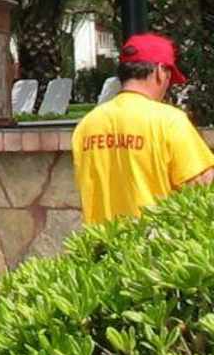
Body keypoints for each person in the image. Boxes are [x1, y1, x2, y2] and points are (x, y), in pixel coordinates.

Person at [72, 33, 214, 225]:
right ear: (160, 71)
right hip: (154, 241)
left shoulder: (87, 125)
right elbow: (203, 188)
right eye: (169, 76)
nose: (167, 85)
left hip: (102, 241)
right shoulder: (169, 121)